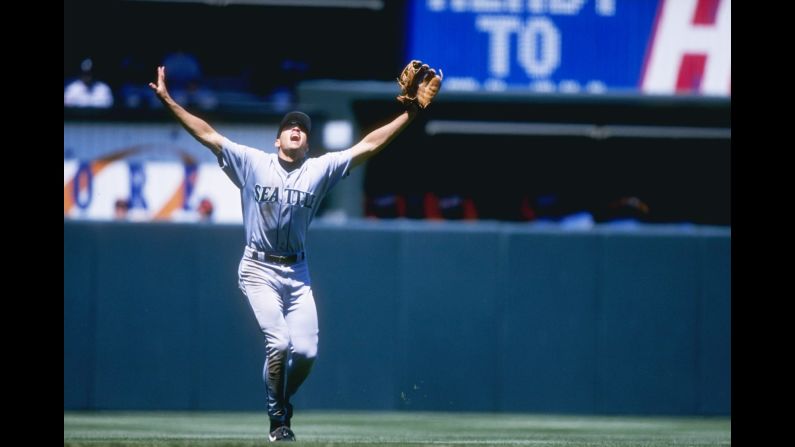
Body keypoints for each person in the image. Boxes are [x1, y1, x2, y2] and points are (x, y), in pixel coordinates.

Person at [148, 62, 442, 442]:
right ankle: (277, 419)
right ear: (277, 139)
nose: (296, 130)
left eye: (302, 128)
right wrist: (169, 101)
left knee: (305, 352)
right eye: (290, 126)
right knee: (280, 343)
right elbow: (206, 133)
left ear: (307, 142)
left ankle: (282, 399)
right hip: (257, 268)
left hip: (297, 274)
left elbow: (370, 143)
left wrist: (411, 111)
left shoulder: (319, 169)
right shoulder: (253, 162)